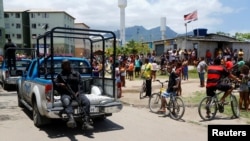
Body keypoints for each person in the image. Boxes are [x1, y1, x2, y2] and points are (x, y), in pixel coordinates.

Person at [54, 60, 94, 130]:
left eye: (67, 64)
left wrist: (78, 92)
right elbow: (54, 84)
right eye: (64, 65)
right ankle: (71, 119)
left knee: (86, 101)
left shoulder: (76, 74)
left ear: (69, 65)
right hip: (66, 93)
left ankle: (86, 122)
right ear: (62, 66)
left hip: (77, 93)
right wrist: (60, 84)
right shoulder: (60, 75)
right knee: (66, 100)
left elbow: (80, 84)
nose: (66, 66)